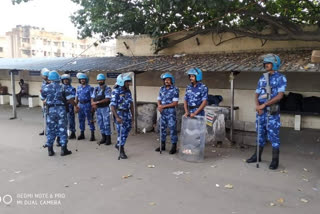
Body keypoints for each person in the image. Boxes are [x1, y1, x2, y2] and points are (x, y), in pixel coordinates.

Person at [246, 54, 287, 170]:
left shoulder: (281, 78)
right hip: (261, 111)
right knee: (260, 133)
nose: (266, 65)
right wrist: (258, 106)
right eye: (265, 63)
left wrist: (264, 105)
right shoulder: (262, 77)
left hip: (272, 111)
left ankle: (275, 160)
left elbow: (279, 96)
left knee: (274, 135)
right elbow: (257, 93)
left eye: (268, 63)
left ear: (275, 64)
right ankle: (257, 156)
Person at [40, 71, 77, 156]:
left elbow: (42, 98)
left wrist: (48, 101)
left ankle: (50, 150)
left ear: (49, 78)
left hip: (51, 110)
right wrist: (76, 105)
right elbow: (70, 99)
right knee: (62, 129)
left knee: (50, 129)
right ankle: (64, 149)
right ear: (58, 78)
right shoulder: (63, 87)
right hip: (61, 110)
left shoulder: (46, 87)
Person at [110, 73, 134, 159]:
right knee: (122, 132)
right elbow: (112, 106)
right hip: (119, 114)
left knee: (127, 131)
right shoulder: (115, 91)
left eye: (128, 81)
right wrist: (117, 117)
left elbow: (131, 103)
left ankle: (118, 144)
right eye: (127, 82)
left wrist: (133, 116)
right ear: (121, 82)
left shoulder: (128, 91)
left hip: (127, 114)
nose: (128, 83)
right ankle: (121, 150)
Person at [156, 72, 179, 154]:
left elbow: (175, 103)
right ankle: (162, 145)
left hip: (171, 112)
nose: (166, 81)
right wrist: (159, 106)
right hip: (162, 112)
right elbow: (158, 99)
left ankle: (174, 147)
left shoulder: (175, 89)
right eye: (165, 80)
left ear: (171, 80)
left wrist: (163, 106)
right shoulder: (161, 89)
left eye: (168, 80)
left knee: (172, 129)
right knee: (161, 129)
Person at [91, 73, 112, 145]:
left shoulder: (107, 88)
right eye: (99, 80)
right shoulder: (96, 88)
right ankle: (103, 138)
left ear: (104, 80)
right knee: (100, 123)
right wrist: (93, 103)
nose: (100, 81)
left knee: (106, 123)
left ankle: (108, 139)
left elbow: (107, 99)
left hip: (105, 108)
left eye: (101, 80)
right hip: (98, 109)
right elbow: (92, 97)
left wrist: (97, 102)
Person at [75, 73, 95, 141]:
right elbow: (76, 97)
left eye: (83, 79)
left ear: (86, 80)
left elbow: (92, 97)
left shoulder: (90, 88)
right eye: (81, 79)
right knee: (81, 120)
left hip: (87, 104)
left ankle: (92, 134)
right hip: (80, 105)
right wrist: (76, 105)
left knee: (90, 119)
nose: (82, 80)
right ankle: (82, 134)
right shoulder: (78, 87)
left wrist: (92, 106)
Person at [61, 74, 77, 139]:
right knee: (63, 120)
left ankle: (72, 132)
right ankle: (64, 133)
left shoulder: (72, 89)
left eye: (67, 80)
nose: (65, 81)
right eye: (64, 80)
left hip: (69, 106)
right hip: (62, 106)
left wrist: (66, 101)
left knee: (71, 119)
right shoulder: (60, 88)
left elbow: (72, 98)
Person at [39, 68, 50, 136]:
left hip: (50, 103)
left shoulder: (50, 83)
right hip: (44, 102)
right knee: (45, 116)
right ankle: (45, 129)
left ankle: (48, 130)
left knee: (49, 117)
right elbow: (42, 92)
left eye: (43, 75)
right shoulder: (43, 83)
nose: (42, 76)